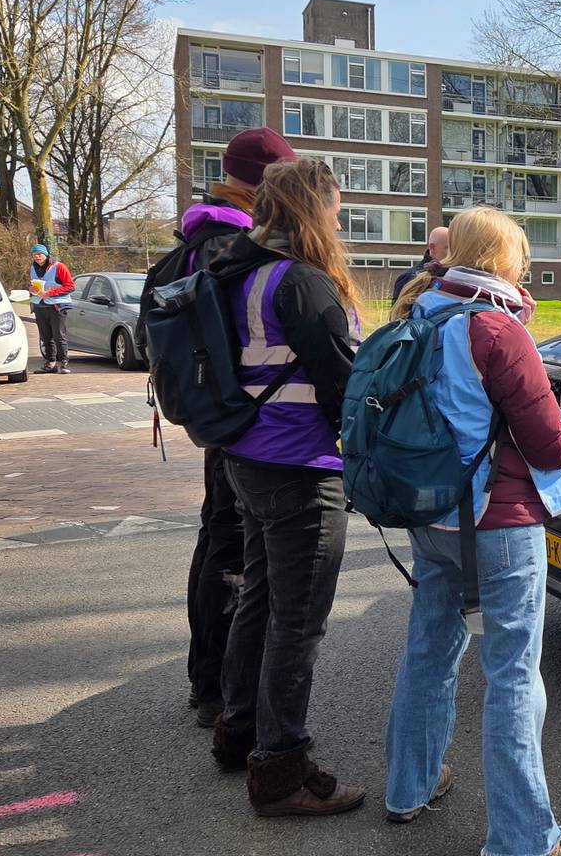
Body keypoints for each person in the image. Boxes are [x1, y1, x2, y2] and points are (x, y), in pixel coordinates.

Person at [384, 205, 561, 856]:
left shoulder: (418, 314)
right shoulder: (498, 328)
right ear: (505, 260)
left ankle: (410, 787)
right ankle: (523, 838)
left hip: (428, 513)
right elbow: (551, 445)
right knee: (513, 674)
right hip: (500, 520)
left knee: (428, 651)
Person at [207, 157, 363, 817]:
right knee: (296, 622)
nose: (339, 218)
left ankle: (239, 728)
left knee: (260, 602)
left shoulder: (238, 272)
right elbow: (343, 383)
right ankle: (280, 766)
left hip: (246, 458)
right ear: (312, 210)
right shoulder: (302, 283)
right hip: (300, 467)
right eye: (334, 207)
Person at [137, 127, 297, 728]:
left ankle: (207, 679)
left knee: (215, 540)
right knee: (238, 553)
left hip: (208, 418)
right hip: (247, 422)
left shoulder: (185, 246)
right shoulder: (234, 248)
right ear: (268, 182)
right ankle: (226, 696)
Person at [28, 244, 75, 373]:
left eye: (40, 254)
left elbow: (70, 286)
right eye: (34, 254)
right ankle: (50, 363)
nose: (37, 257)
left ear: (46, 254)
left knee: (59, 336)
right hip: (39, 305)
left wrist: (50, 293)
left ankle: (64, 363)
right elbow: (32, 285)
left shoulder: (59, 267)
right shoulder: (32, 267)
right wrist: (31, 290)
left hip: (57, 306)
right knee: (45, 337)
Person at [391, 225, 449, 302]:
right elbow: (398, 312)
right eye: (448, 248)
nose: (453, 253)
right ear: (432, 247)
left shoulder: (453, 273)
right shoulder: (410, 277)